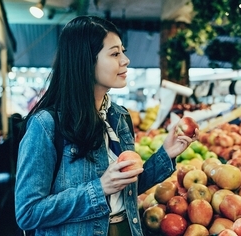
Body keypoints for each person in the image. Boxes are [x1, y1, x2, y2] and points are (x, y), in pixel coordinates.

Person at [14, 15, 197, 236]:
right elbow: (27, 212)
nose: (126, 60)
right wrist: (98, 189)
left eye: (123, 51)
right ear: (86, 60)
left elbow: (126, 190)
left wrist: (166, 154)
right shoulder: (46, 124)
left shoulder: (119, 117)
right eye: (114, 53)